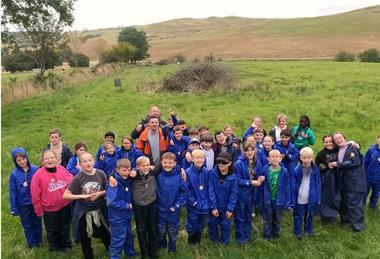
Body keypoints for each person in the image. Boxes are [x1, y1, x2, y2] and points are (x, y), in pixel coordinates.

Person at [63, 152, 110, 259]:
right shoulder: (78, 178)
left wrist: (100, 193)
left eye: (89, 160)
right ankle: (88, 255)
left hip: (100, 209)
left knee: (105, 231)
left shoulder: (101, 173)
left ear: (94, 161)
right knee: (85, 236)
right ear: (79, 164)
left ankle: (110, 249)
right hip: (84, 211)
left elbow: (109, 189)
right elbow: (65, 195)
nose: (88, 163)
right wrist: (82, 197)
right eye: (84, 161)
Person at [31, 149, 73, 251]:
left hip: (65, 205)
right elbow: (35, 195)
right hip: (50, 209)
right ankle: (54, 247)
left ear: (56, 159)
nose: (49, 160)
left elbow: (72, 182)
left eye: (52, 157)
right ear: (42, 161)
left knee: (65, 226)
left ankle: (65, 244)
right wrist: (39, 210)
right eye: (46, 158)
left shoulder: (62, 169)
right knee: (52, 229)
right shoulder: (38, 175)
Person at [329, 132, 366, 232]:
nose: (338, 140)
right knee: (344, 203)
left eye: (339, 137)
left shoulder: (352, 147)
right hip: (343, 183)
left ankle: (358, 228)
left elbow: (355, 162)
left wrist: (338, 164)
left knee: (354, 205)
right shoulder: (338, 150)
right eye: (335, 139)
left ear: (344, 137)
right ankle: (345, 222)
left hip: (354, 183)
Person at [9, 148, 42, 248]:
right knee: (27, 225)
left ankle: (39, 240)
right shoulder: (14, 175)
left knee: (37, 222)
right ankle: (32, 244)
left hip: (35, 202)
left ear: (27, 158)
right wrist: (14, 208)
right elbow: (12, 191)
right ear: (15, 162)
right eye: (18, 160)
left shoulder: (35, 169)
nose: (22, 162)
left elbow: (41, 185)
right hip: (23, 204)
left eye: (23, 159)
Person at [233, 143, 265, 245]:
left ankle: (247, 236)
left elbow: (259, 174)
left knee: (248, 216)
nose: (250, 152)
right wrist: (250, 182)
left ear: (255, 150)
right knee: (240, 217)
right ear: (244, 152)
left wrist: (261, 177)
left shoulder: (257, 162)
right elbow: (237, 180)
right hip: (242, 194)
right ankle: (240, 238)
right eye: (247, 150)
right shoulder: (238, 163)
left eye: (252, 150)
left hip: (253, 194)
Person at [156, 152, 187, 253]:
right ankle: (162, 245)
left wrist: (176, 206)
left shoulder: (180, 176)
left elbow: (184, 193)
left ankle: (172, 248)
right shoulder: (157, 175)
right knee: (161, 231)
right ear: (161, 162)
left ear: (175, 163)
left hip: (173, 210)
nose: (167, 165)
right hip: (160, 210)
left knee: (173, 231)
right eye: (165, 162)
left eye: (170, 163)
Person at [130, 156, 160, 258]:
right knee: (141, 229)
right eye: (143, 166)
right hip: (139, 206)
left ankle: (153, 251)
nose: (146, 167)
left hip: (152, 204)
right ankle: (144, 252)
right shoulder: (134, 175)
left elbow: (167, 164)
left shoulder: (153, 172)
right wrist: (111, 177)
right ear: (138, 166)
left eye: (147, 165)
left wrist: (181, 169)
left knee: (152, 228)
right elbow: (118, 174)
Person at [106, 159, 135, 258]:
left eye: (128, 170)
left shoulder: (128, 180)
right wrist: (126, 205)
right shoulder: (113, 183)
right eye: (124, 170)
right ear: (117, 170)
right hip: (117, 217)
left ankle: (130, 254)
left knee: (128, 236)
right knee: (118, 240)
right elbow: (111, 202)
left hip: (127, 216)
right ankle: (114, 256)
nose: (126, 173)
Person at [260, 149, 292, 240]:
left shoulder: (284, 171)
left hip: (279, 200)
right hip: (268, 199)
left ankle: (276, 234)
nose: (275, 159)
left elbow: (287, 187)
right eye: (272, 157)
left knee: (277, 218)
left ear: (280, 158)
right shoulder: (265, 169)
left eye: (277, 157)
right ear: (268, 159)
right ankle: (266, 235)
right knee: (267, 218)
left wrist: (287, 202)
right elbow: (261, 184)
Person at [208, 152, 238, 245]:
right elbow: (211, 189)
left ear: (229, 163)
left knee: (225, 225)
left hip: (226, 206)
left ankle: (225, 242)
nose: (221, 164)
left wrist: (230, 209)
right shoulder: (213, 173)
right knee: (213, 223)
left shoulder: (233, 176)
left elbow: (234, 194)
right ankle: (214, 241)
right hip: (215, 204)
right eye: (219, 161)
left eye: (224, 162)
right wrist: (213, 207)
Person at [292, 147, 321, 239]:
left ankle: (308, 230)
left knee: (310, 214)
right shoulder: (296, 170)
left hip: (311, 196)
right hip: (300, 196)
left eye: (309, 158)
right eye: (304, 158)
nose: (306, 160)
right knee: (299, 215)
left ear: (312, 158)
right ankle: (298, 232)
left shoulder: (315, 170)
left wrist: (318, 196)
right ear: (300, 158)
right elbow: (293, 184)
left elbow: (318, 183)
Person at [185, 149, 209, 244]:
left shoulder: (207, 172)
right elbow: (186, 189)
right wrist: (193, 202)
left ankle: (198, 241)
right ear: (192, 159)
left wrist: (208, 201)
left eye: (202, 158)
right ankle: (191, 241)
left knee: (202, 223)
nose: (200, 160)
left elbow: (209, 188)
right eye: (197, 158)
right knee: (192, 222)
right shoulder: (187, 172)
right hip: (193, 204)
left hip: (205, 203)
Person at [315, 135, 341, 222]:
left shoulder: (339, 150)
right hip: (326, 179)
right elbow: (318, 167)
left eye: (331, 141)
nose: (329, 143)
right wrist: (327, 166)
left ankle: (336, 213)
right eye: (326, 142)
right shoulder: (321, 154)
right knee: (326, 196)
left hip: (339, 177)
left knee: (337, 196)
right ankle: (325, 215)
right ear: (323, 143)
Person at [364, 134, 380, 209]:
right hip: (368, 177)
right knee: (364, 193)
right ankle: (361, 207)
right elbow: (365, 162)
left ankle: (372, 207)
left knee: (375, 194)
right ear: (377, 139)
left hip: (378, 179)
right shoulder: (371, 149)